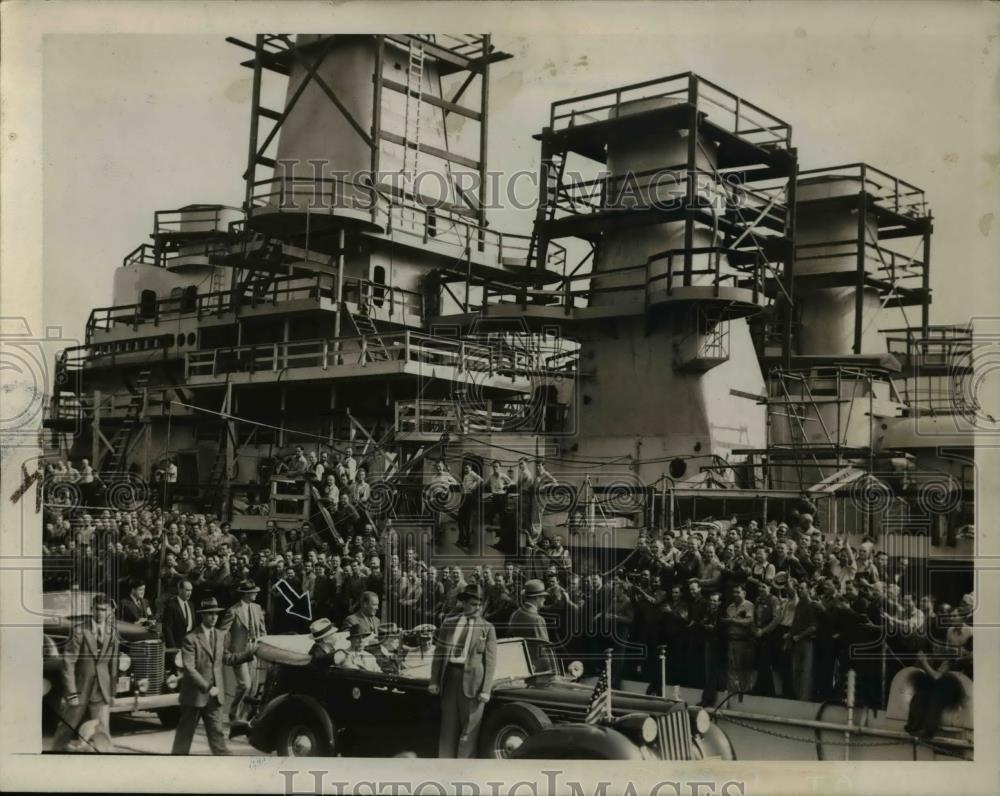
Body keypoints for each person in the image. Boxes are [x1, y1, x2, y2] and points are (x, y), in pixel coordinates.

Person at [171, 597, 256, 755]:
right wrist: (207, 687)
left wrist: (250, 653)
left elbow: (228, 658)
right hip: (194, 697)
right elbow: (189, 668)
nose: (214, 617)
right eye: (210, 614)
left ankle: (225, 766)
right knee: (184, 739)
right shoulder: (191, 639)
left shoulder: (220, 635)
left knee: (218, 737)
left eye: (216, 614)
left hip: (215, 698)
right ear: (203, 615)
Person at [429, 584, 498, 758]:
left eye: (480, 604)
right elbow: (439, 653)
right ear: (464, 603)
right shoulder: (449, 623)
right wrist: (434, 680)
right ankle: (445, 765)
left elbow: (490, 662)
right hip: (450, 677)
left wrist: (486, 690)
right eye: (473, 604)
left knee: (470, 729)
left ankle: (464, 769)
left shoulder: (487, 628)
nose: (477, 608)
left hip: (474, 684)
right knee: (448, 728)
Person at [53, 594, 118, 752]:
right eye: (97, 609)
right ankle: (54, 753)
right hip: (80, 689)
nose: (100, 613)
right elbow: (68, 662)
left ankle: (106, 760)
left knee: (102, 730)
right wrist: (71, 692)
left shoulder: (112, 633)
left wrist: (113, 693)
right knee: (67, 726)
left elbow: (113, 665)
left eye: (104, 610)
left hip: (101, 690)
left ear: (108, 612)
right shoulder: (79, 630)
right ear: (91, 610)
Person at [219, 580, 267, 723]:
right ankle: (234, 713)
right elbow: (222, 632)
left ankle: (244, 717)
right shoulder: (233, 610)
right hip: (239, 653)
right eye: (254, 592)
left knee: (252, 687)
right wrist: (222, 649)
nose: (257, 594)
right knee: (245, 684)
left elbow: (263, 631)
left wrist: (264, 645)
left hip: (255, 650)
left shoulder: (258, 608)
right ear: (246, 594)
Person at [457, 462, 485, 550]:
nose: (465, 469)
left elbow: (481, 480)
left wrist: (473, 487)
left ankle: (468, 541)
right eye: (464, 468)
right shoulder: (466, 475)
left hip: (469, 497)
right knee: (460, 518)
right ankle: (462, 538)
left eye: (467, 468)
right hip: (464, 496)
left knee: (467, 519)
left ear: (471, 468)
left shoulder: (472, 473)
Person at [162, 579, 196, 649]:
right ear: (180, 590)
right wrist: (173, 647)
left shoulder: (191, 605)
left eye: (191, 590)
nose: (189, 593)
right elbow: (167, 628)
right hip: (177, 646)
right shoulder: (171, 605)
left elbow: (193, 626)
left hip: (190, 645)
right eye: (187, 590)